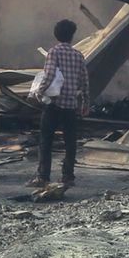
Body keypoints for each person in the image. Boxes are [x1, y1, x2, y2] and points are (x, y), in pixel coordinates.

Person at [33, 19, 90, 184]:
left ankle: (43, 177)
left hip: (54, 104)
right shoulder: (78, 55)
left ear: (56, 35)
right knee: (70, 142)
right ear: (72, 36)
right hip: (71, 106)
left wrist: (39, 91)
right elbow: (84, 81)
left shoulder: (54, 52)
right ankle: (68, 176)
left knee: (46, 140)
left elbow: (49, 75)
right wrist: (85, 102)